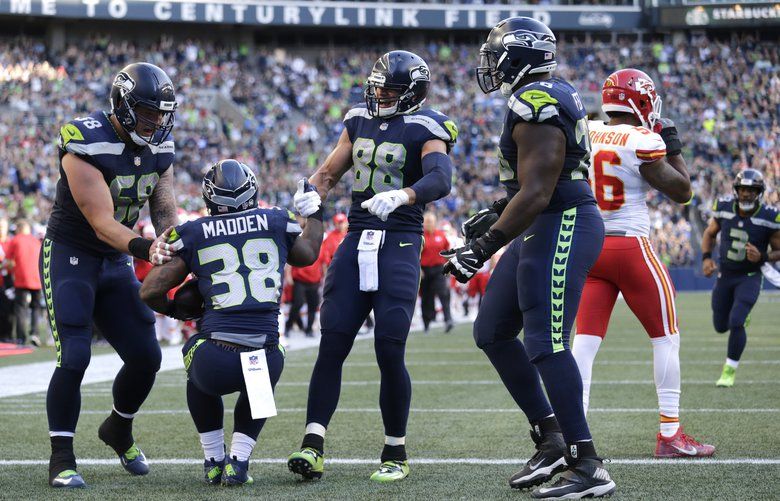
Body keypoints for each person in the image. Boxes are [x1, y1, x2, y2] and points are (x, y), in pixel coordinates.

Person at [443, 17, 614, 498]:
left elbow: (541, 190)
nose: (491, 65)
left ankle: (589, 465)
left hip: (562, 223)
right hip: (544, 220)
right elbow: (538, 184)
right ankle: (552, 436)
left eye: (496, 54)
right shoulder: (544, 94)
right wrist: (499, 210)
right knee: (492, 330)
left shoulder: (536, 99)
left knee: (546, 342)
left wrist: (482, 247)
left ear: (519, 55)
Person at [287, 50, 457, 483]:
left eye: (390, 90)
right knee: (333, 341)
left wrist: (406, 195)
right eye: (377, 86)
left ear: (412, 93)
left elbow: (441, 177)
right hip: (356, 237)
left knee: (388, 347)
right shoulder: (357, 119)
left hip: (400, 240)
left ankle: (395, 449)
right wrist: (311, 195)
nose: (379, 95)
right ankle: (312, 444)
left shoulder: (427, 125)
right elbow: (327, 172)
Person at [141, 159, 323, 486]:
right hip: (264, 356)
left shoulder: (195, 231)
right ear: (253, 191)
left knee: (194, 355)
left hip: (216, 360)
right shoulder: (277, 220)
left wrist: (175, 311)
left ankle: (213, 459)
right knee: (269, 360)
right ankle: (238, 461)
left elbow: (149, 291)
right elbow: (308, 254)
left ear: (209, 198)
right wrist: (316, 213)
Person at [40, 62, 179, 488]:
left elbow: (163, 206)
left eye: (162, 114)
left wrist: (174, 245)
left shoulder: (159, 146)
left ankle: (118, 427)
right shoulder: (83, 140)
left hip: (115, 260)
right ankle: (61, 456)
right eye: (148, 112)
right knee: (76, 354)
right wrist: (145, 247)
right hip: (72, 252)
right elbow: (100, 221)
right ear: (122, 106)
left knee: (147, 356)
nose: (156, 122)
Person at [570, 69, 714, 458]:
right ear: (640, 101)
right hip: (630, 247)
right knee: (666, 336)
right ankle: (670, 433)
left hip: (590, 247)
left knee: (584, 342)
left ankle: (575, 434)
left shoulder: (584, 128)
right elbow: (682, 191)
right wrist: (673, 144)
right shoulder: (643, 139)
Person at [701, 169, 780, 387]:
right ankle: (739, 318)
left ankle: (729, 371)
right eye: (743, 189)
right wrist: (706, 258)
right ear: (736, 191)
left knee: (736, 321)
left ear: (759, 192)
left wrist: (763, 256)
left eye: (751, 190)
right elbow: (709, 233)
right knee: (720, 325)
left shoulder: (769, 216)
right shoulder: (724, 208)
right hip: (725, 275)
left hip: (750, 276)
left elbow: (779, 249)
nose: (746, 194)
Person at [286, 217, 324, 337]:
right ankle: (288, 326)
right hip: (300, 278)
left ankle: (309, 330)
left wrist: (324, 276)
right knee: (297, 304)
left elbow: (323, 260)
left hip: (315, 279)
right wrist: (288, 275)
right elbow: (290, 257)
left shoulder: (320, 238)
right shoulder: (297, 235)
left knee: (313, 306)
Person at [6, 220, 43, 346]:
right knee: (36, 308)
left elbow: (9, 261)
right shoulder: (36, 241)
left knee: (21, 309)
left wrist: (11, 271)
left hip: (22, 280)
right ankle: (35, 334)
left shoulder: (15, 240)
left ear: (18, 229)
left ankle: (21, 337)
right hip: (37, 280)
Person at [419, 212, 453, 332]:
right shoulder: (420, 236)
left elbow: (447, 252)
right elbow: (415, 254)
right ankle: (426, 322)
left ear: (435, 223)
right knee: (426, 297)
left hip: (439, 269)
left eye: (431, 221)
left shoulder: (441, 235)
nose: (429, 224)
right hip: (424, 270)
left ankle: (448, 319)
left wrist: (449, 266)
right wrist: (419, 269)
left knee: (443, 293)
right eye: (427, 221)